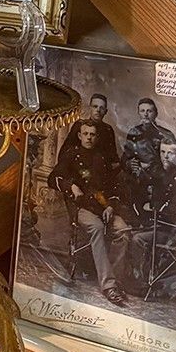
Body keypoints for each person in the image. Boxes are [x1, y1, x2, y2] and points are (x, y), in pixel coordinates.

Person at [51, 120, 131, 306]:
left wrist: (110, 206)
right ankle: (108, 286)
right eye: (85, 134)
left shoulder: (101, 158)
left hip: (103, 208)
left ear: (97, 137)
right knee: (96, 228)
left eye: (92, 134)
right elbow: (53, 178)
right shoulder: (71, 155)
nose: (89, 138)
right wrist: (70, 186)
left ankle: (116, 281)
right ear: (79, 135)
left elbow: (113, 187)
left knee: (123, 231)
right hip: (82, 208)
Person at [121, 98, 176, 219]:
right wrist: (129, 164)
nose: (145, 114)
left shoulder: (165, 134)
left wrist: (150, 167)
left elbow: (173, 162)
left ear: (156, 114)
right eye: (142, 111)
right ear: (138, 113)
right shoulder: (133, 132)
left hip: (159, 181)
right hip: (138, 181)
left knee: (157, 217)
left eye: (149, 111)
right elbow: (125, 157)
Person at [61, 93, 119, 168]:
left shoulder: (108, 130)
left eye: (101, 108)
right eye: (95, 106)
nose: (98, 110)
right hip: (79, 168)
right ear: (90, 108)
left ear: (105, 111)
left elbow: (113, 157)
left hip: (100, 169)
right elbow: (65, 151)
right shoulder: (79, 125)